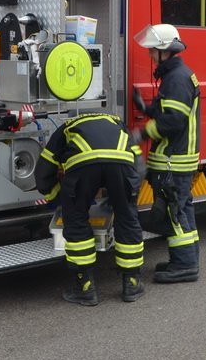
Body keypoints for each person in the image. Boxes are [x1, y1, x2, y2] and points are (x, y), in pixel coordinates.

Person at [35, 113, 145, 305]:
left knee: (76, 220)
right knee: (128, 219)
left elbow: (43, 174)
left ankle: (84, 288)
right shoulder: (119, 124)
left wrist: (60, 199)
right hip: (121, 165)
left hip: (82, 166)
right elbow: (140, 166)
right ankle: (132, 284)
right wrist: (123, 196)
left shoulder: (66, 128)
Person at [132, 23, 201, 283]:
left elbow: (172, 121)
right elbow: (168, 111)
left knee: (174, 213)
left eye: (152, 51)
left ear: (165, 51)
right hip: (179, 160)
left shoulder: (177, 79)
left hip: (174, 160)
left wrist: (142, 133)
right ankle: (187, 260)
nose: (150, 55)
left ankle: (184, 266)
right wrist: (147, 108)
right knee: (183, 210)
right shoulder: (177, 76)